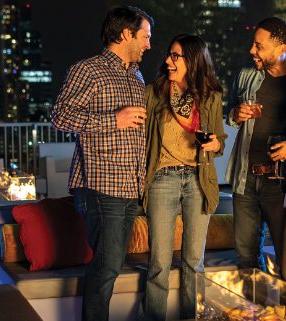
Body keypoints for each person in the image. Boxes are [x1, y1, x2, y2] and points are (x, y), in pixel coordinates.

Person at [51, 6, 154, 321]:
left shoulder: (136, 75)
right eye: (145, 36)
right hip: (99, 184)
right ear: (126, 34)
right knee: (107, 266)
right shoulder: (88, 70)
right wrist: (115, 119)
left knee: (112, 265)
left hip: (130, 185)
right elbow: (60, 117)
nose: (149, 44)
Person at [141, 34, 226, 321]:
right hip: (162, 179)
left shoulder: (211, 96)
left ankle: (193, 317)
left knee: (194, 262)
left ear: (192, 60)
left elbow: (219, 141)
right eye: (169, 54)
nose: (168, 60)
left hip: (198, 180)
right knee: (159, 263)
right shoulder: (154, 92)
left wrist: (215, 144)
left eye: (175, 56)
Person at [225, 17, 286, 278]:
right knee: (247, 260)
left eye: (259, 46)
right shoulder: (246, 74)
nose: (252, 51)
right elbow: (231, 113)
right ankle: (255, 316)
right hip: (246, 179)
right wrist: (235, 114)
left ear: (281, 47)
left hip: (279, 183)